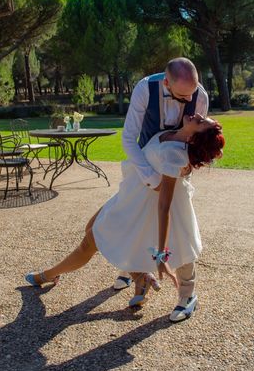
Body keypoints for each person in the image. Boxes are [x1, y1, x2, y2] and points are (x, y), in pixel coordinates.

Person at [25, 114, 224, 323]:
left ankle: (47, 275)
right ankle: (140, 277)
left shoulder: (175, 153)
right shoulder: (171, 131)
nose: (199, 115)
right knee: (91, 228)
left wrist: (160, 257)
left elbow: (164, 206)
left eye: (201, 122)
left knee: (93, 241)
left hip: (141, 204)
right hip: (130, 195)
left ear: (193, 139)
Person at [112, 57, 208, 291]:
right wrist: (149, 176)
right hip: (144, 161)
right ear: (166, 83)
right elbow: (128, 137)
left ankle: (187, 292)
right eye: (183, 95)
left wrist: (187, 167)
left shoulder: (200, 96)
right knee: (134, 216)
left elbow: (198, 139)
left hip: (175, 167)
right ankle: (130, 268)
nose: (189, 100)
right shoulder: (145, 88)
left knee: (178, 221)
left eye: (192, 93)